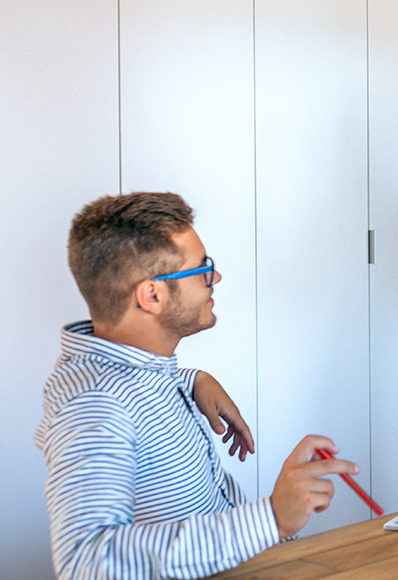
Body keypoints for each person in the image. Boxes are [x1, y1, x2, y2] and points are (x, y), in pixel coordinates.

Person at [36, 192, 361, 579]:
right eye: (201, 268)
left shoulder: (131, 368)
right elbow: (87, 562)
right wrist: (271, 517)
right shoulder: (94, 405)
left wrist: (193, 381)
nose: (215, 278)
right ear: (152, 295)